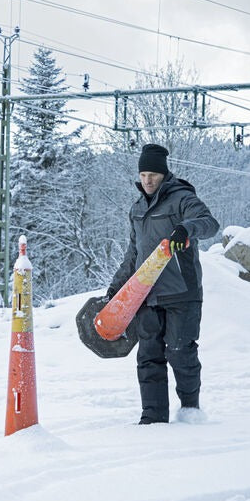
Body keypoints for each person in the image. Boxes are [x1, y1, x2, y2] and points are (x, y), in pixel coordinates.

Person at [107, 143, 220, 425]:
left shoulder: (181, 199)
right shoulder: (137, 209)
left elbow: (209, 223)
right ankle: (153, 417)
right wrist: (116, 290)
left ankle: (190, 410)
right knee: (149, 357)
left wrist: (186, 228)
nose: (147, 181)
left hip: (181, 291)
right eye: (143, 174)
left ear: (164, 174)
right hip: (146, 294)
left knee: (181, 351)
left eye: (153, 175)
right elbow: (133, 255)